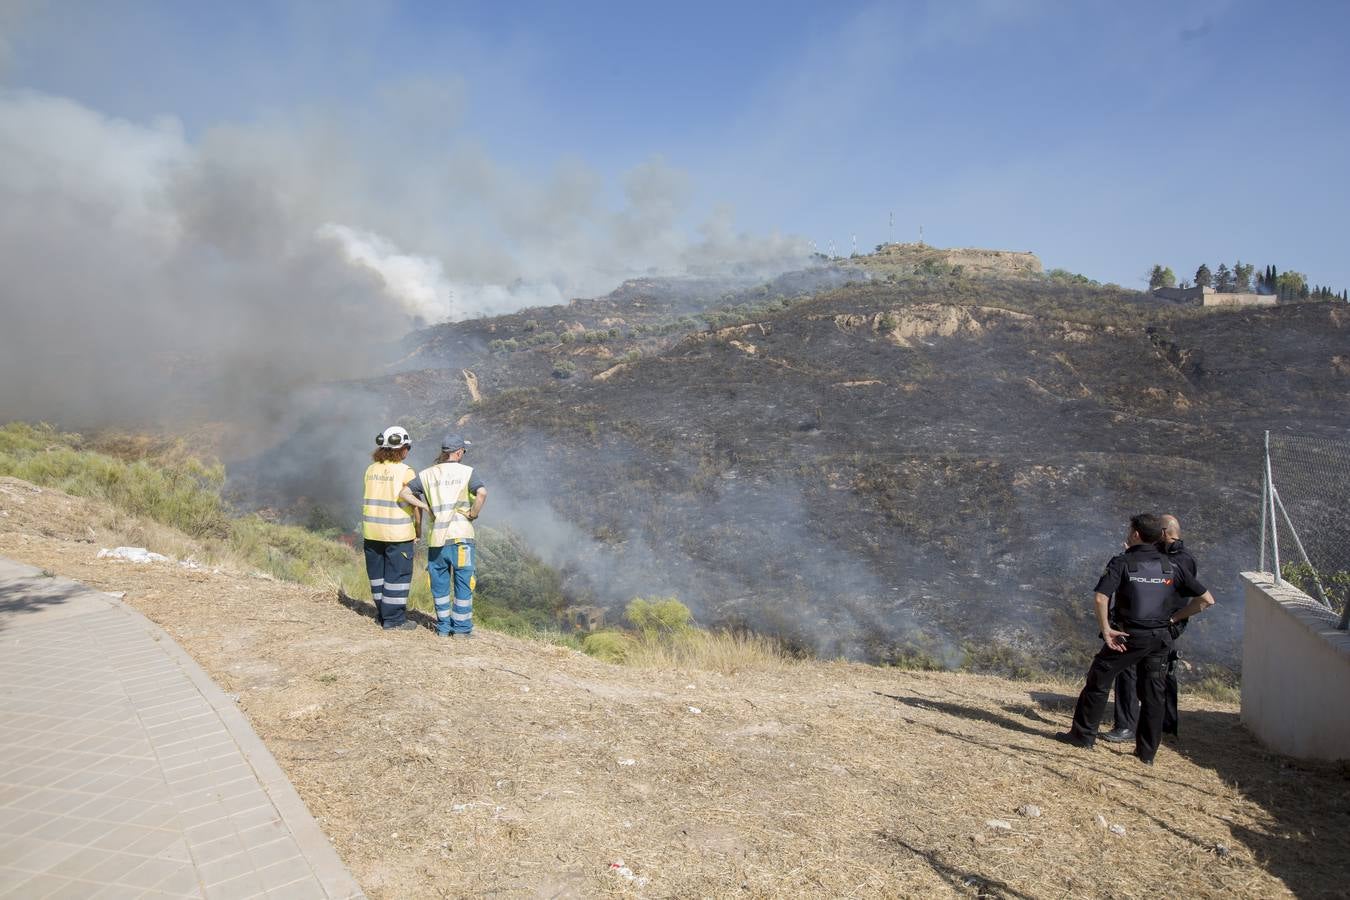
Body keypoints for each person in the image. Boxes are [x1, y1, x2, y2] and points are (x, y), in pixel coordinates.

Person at [1056, 513, 1215, 764]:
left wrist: (1106, 629)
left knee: (1099, 678)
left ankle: (1082, 736)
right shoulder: (1172, 565)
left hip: (1128, 636)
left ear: (1136, 534)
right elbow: (1206, 600)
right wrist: (1174, 619)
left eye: (1130, 530)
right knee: (1153, 694)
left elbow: (1101, 597)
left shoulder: (1123, 562)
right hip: (1160, 638)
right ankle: (1147, 754)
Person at [1101, 514, 1196, 742]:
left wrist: (1133, 556)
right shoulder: (1177, 557)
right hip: (1159, 623)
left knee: (1133, 670)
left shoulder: (1178, 561)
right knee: (1157, 674)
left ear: (1163, 533)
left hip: (1159, 624)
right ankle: (1161, 725)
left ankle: (1127, 726)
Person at [401, 434, 486, 638]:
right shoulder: (467, 472)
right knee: (464, 582)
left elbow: (405, 493)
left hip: (437, 540)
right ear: (459, 452)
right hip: (461, 538)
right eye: (464, 451)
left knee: (439, 584)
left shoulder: (427, 474)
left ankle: (443, 628)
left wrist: (425, 507)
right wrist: (473, 514)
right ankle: (462, 630)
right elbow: (482, 493)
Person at [361, 426, 420, 631]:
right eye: (408, 447)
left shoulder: (370, 470)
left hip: (372, 532)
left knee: (378, 576)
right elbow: (414, 503)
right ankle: (394, 620)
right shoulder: (406, 471)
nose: (408, 451)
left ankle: (382, 615)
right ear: (402, 448)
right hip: (398, 534)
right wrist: (418, 530)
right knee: (397, 577)